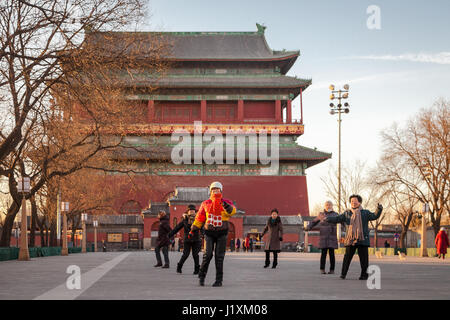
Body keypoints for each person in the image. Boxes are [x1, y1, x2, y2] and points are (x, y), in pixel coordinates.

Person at [188, 181, 236, 287]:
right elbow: (200, 218)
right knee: (207, 255)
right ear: (210, 191)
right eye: (213, 190)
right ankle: (202, 275)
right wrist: (193, 229)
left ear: (221, 191)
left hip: (222, 233)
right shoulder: (206, 203)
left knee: (219, 257)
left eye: (217, 189)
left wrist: (227, 206)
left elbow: (232, 211)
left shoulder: (226, 202)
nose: (215, 191)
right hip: (209, 233)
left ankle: (219, 280)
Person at [326, 194, 382, 280]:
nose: (353, 203)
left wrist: (379, 209)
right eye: (352, 201)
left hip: (362, 239)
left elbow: (374, 216)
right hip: (350, 239)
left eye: (355, 201)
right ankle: (343, 274)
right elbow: (337, 219)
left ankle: (364, 275)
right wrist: (328, 218)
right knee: (347, 258)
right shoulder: (347, 213)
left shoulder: (365, 213)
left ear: (359, 202)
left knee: (364, 260)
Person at [305, 200, 338, 274]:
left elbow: (342, 221)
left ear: (332, 206)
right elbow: (314, 222)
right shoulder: (321, 214)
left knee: (332, 254)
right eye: (326, 205)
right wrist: (308, 227)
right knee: (323, 253)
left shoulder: (336, 214)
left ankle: (332, 270)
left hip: (332, 236)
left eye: (329, 205)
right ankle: (322, 269)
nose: (328, 206)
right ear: (324, 206)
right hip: (323, 236)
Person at [168, 204, 202, 274]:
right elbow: (177, 228)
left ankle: (197, 269)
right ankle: (179, 266)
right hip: (187, 239)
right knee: (185, 254)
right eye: (190, 210)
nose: (192, 212)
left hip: (196, 239)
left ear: (195, 212)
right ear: (188, 211)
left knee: (195, 255)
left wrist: (205, 234)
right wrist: (169, 235)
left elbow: (202, 228)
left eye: (193, 210)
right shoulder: (185, 220)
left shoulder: (198, 219)